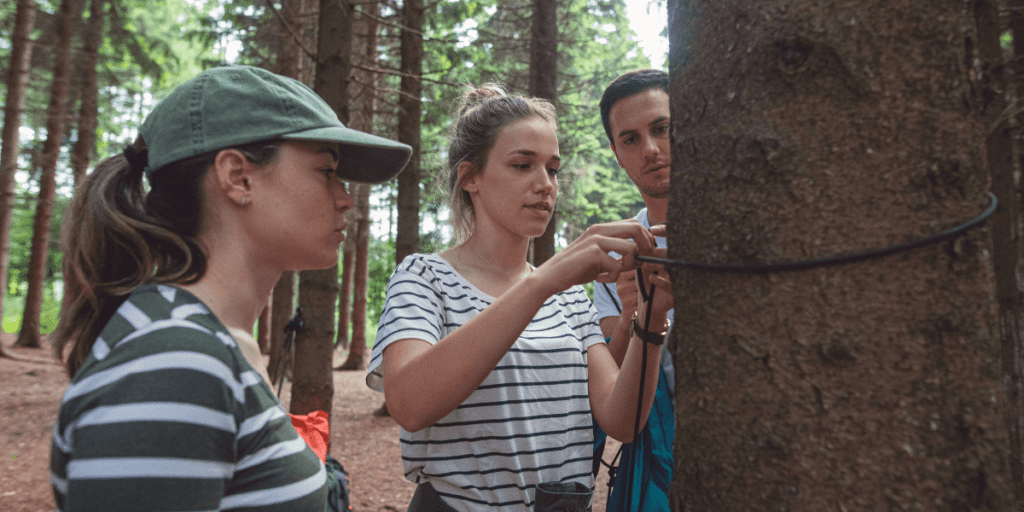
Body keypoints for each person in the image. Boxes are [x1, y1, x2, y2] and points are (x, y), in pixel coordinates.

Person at [49, 65, 412, 511]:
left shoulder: (211, 343)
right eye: (326, 170)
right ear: (237, 177)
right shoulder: (175, 363)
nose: (346, 198)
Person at [366, 84, 673, 512]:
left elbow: (620, 419)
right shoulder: (424, 277)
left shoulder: (568, 299)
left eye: (553, 168)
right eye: (522, 165)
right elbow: (409, 404)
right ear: (470, 176)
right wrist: (542, 281)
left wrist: (650, 317)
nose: (545, 184)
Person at [590, 69, 674, 511]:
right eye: (631, 139)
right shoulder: (619, 255)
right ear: (617, 155)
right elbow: (613, 387)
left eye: (662, 128)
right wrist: (632, 316)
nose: (652, 150)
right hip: (652, 479)